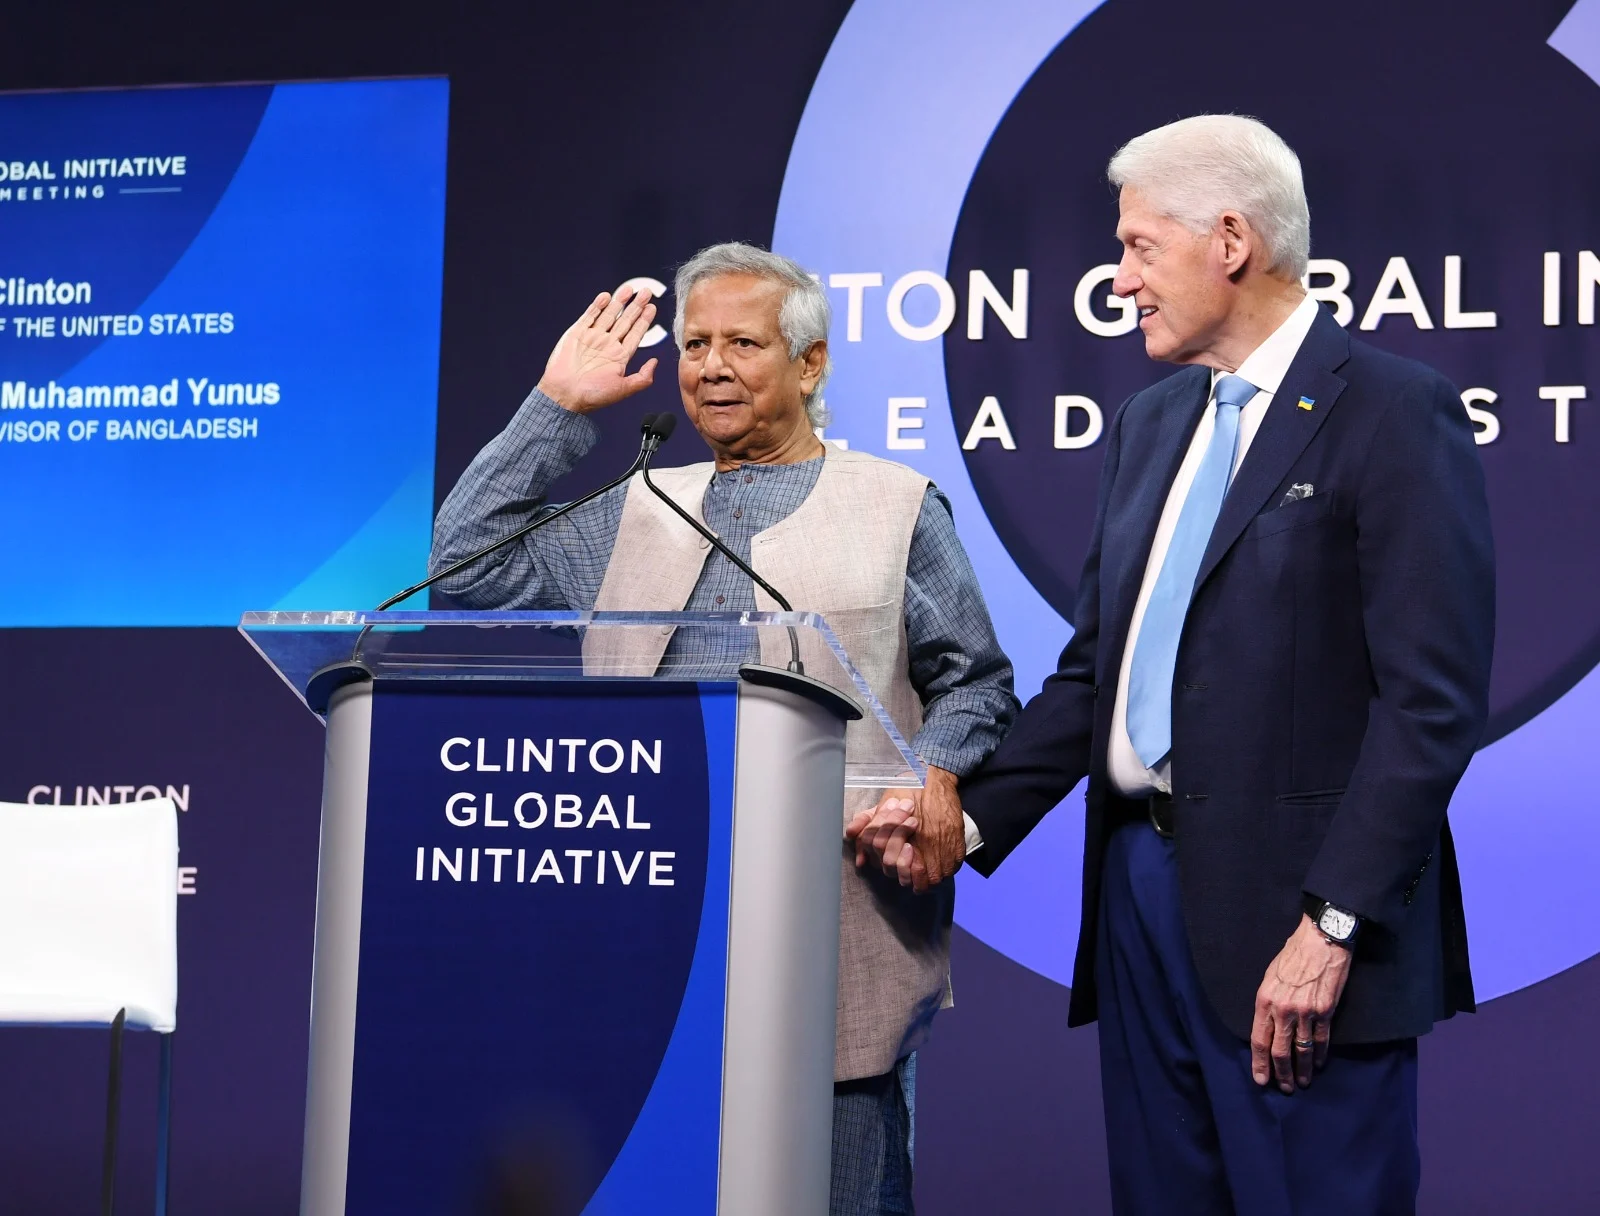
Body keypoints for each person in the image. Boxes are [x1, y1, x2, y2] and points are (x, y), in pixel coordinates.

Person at [852, 115, 1494, 1214]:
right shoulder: (1150, 423)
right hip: (1138, 902)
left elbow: (1427, 708)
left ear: (1231, 241)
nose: (1120, 280)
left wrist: (1334, 922)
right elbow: (1096, 675)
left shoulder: (1393, 411)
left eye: (1138, 246)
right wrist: (966, 820)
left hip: (1300, 919)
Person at [430, 241, 1018, 1214]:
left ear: (810, 363)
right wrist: (556, 407)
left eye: (742, 343)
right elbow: (465, 564)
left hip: (837, 923)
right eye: (695, 344)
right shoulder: (636, 506)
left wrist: (934, 777)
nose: (709, 366)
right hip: (650, 928)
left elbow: (976, 683)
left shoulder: (896, 507)